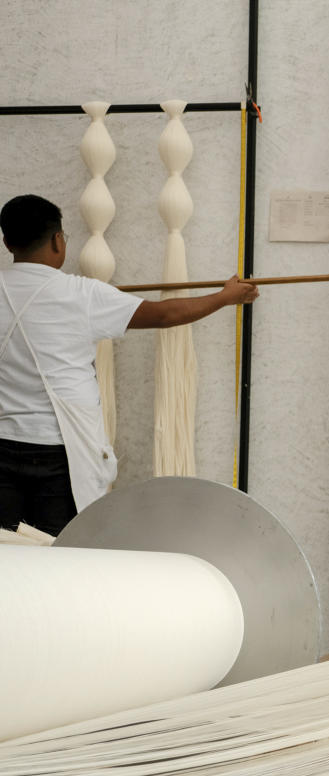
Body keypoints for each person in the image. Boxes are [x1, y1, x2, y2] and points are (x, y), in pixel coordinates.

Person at [0, 193, 258, 535]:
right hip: (61, 455)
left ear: (7, 242)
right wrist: (226, 297)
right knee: (55, 556)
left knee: (9, 559)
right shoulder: (82, 293)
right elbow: (165, 314)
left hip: (4, 445)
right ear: (57, 240)